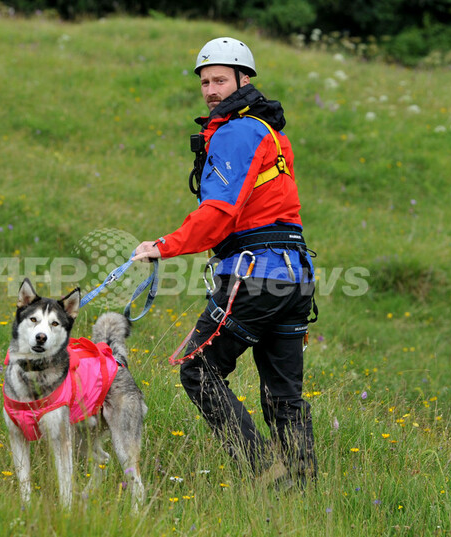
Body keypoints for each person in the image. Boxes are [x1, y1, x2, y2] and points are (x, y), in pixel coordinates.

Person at [133, 37, 318, 486]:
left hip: (254, 275)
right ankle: (302, 484)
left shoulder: (236, 132)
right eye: (205, 82)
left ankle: (263, 473)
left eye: (220, 80)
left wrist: (163, 245)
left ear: (244, 79)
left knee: (198, 370)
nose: (211, 90)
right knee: (284, 394)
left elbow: (217, 214)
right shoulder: (272, 133)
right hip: (296, 279)